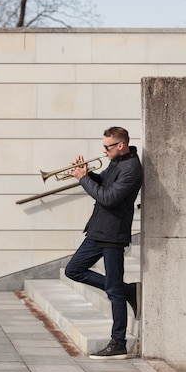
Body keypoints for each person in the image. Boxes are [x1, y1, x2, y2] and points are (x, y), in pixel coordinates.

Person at [64, 126, 143, 360]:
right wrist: (86, 173)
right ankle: (127, 289)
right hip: (99, 230)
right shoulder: (118, 161)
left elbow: (108, 198)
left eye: (107, 146)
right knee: (73, 270)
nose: (104, 150)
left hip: (113, 235)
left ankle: (118, 342)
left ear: (120, 145)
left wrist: (83, 180)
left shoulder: (132, 168)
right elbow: (106, 184)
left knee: (113, 291)